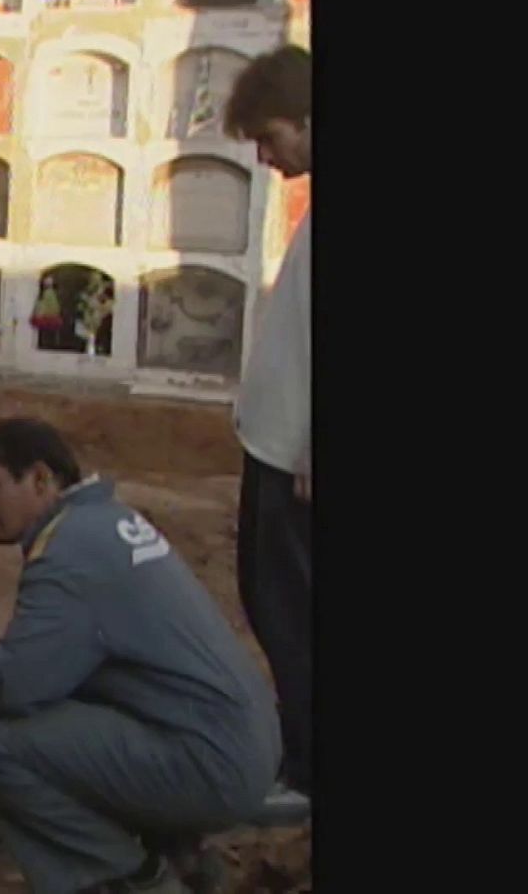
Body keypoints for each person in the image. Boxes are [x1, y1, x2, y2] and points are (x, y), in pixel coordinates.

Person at [0, 419, 281, 894]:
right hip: (242, 746)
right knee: (82, 703)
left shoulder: (69, 551)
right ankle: (182, 858)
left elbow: (14, 686)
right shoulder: (107, 521)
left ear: (41, 479)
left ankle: (133, 879)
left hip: (214, 764)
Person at [223, 44, 313, 799]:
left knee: (290, 607)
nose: (265, 154)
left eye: (271, 136)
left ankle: (308, 767)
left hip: (297, 453)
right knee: (267, 595)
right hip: (276, 440)